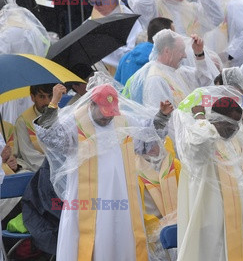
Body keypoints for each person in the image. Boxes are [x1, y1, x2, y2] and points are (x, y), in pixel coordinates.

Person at [34, 79, 174, 260]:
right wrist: (53, 103)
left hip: (121, 196)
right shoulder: (76, 121)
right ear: (92, 104)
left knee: (121, 238)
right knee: (91, 241)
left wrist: (161, 117)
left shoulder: (123, 120)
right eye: (104, 112)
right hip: (87, 200)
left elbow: (147, 140)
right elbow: (50, 138)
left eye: (111, 112)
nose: (108, 117)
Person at [173, 93, 243, 261]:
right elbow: (197, 138)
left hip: (242, 220)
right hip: (213, 223)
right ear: (215, 119)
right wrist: (201, 117)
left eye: (236, 125)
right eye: (230, 124)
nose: (234, 129)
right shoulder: (204, 143)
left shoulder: (235, 140)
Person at [125, 29, 217, 111]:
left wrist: (199, 53)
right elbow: (160, 119)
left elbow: (204, 81)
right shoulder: (156, 79)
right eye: (181, 51)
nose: (185, 55)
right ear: (167, 51)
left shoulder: (177, 71)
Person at [86, 0, 143, 68]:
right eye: (91, 3)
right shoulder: (91, 21)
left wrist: (103, 46)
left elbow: (133, 54)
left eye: (98, 2)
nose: (95, 7)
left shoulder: (129, 20)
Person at [115, 17, 174, 85]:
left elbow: (116, 86)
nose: (176, 37)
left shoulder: (126, 57)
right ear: (165, 36)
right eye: (173, 34)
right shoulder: (162, 60)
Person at [13, 84, 54, 171]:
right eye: (42, 97)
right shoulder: (23, 121)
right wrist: (55, 165)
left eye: (50, 96)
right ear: (32, 97)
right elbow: (29, 155)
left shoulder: (62, 116)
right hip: (38, 171)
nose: (47, 102)